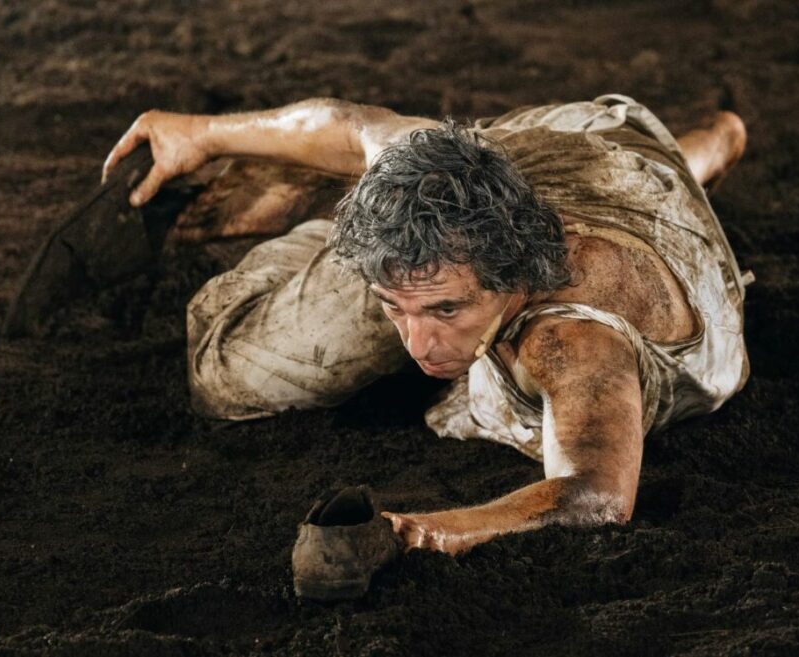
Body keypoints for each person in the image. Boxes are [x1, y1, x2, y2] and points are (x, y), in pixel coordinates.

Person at [92, 93, 751, 555]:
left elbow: (595, 496)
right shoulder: (451, 175)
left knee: (658, 169)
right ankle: (352, 221)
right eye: (395, 309)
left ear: (514, 275)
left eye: (445, 311)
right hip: (559, 146)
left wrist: (410, 534)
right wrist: (201, 132)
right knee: (225, 370)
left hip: (629, 176)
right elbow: (357, 125)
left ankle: (712, 144)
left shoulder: (570, 337)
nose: (417, 345)